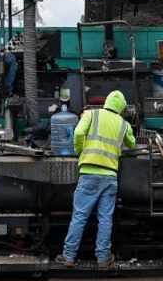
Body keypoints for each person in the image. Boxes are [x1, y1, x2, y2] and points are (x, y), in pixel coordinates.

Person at [56, 90, 136, 268]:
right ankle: (103, 259)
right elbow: (132, 143)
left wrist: (79, 151)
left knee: (79, 217)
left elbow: (78, 133)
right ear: (122, 108)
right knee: (106, 219)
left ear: (106, 102)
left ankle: (69, 256)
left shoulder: (91, 114)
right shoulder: (124, 124)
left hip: (90, 174)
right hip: (110, 178)